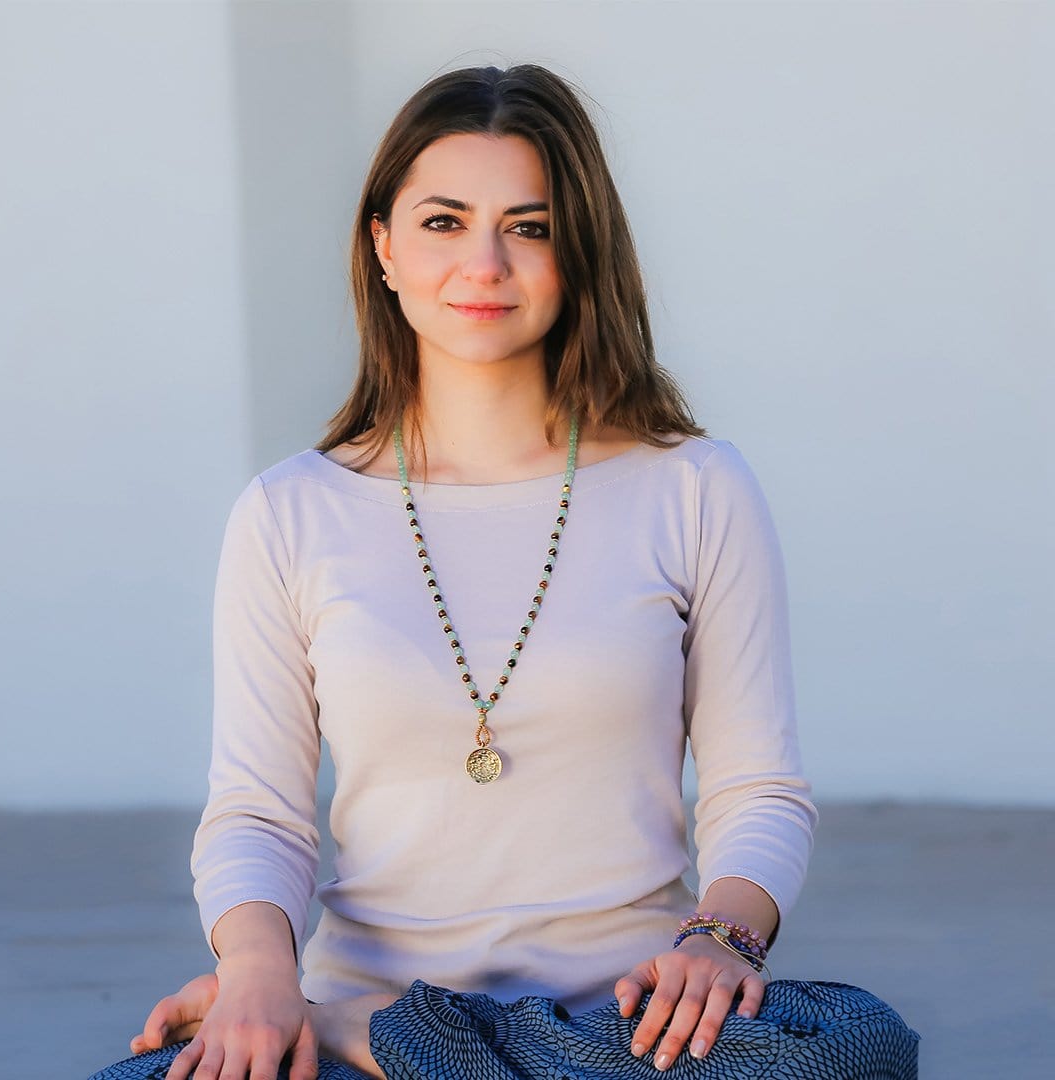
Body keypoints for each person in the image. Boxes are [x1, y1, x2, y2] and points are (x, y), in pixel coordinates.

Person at [91, 64, 917, 1080]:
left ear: (579, 255)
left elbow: (758, 790)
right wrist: (260, 975)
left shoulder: (694, 485)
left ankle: (416, 1050)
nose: (484, 261)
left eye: (529, 226)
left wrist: (720, 940)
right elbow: (259, 810)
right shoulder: (290, 511)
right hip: (372, 999)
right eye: (444, 222)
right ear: (383, 245)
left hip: (626, 1029)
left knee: (849, 1053)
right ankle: (406, 1039)